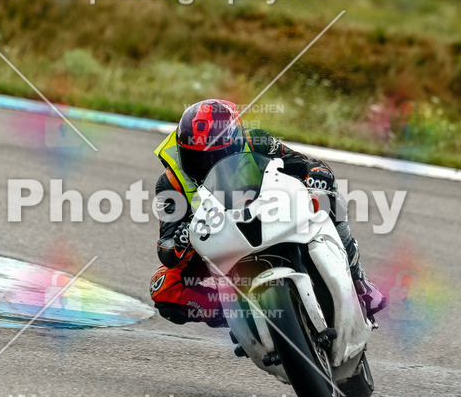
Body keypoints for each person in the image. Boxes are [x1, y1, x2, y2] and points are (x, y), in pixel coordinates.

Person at [149, 99, 386, 327]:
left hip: (270, 212)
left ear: (235, 141)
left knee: (329, 200)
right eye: (196, 157)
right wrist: (181, 236)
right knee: (163, 287)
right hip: (218, 237)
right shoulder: (171, 182)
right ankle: (236, 315)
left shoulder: (256, 141)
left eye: (215, 155)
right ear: (181, 147)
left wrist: (316, 172)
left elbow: (303, 163)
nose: (206, 164)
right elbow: (167, 248)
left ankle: (358, 283)